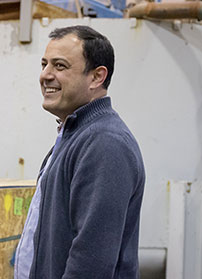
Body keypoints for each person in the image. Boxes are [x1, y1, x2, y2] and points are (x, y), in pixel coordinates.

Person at [14, 25, 145, 279]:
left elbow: (91, 261)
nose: (45, 75)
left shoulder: (105, 143)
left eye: (60, 66)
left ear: (96, 77)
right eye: (44, 64)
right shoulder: (74, 136)